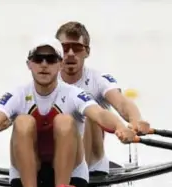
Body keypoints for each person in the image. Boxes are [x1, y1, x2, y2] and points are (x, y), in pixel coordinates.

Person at [0, 37, 135, 187]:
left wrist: (120, 126)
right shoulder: (17, 94)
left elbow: (100, 114)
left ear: (60, 64)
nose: (44, 64)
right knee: (23, 121)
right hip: (26, 177)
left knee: (64, 121)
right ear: (29, 64)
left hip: (72, 178)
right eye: (38, 59)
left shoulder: (74, 94)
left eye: (51, 59)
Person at [55, 21, 151, 176]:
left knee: (87, 112)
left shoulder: (99, 80)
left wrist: (135, 122)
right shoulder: (45, 81)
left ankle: (78, 175)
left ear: (87, 52)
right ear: (57, 52)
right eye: (65, 48)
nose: (71, 53)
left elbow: (122, 103)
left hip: (90, 163)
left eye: (77, 48)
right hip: (55, 160)